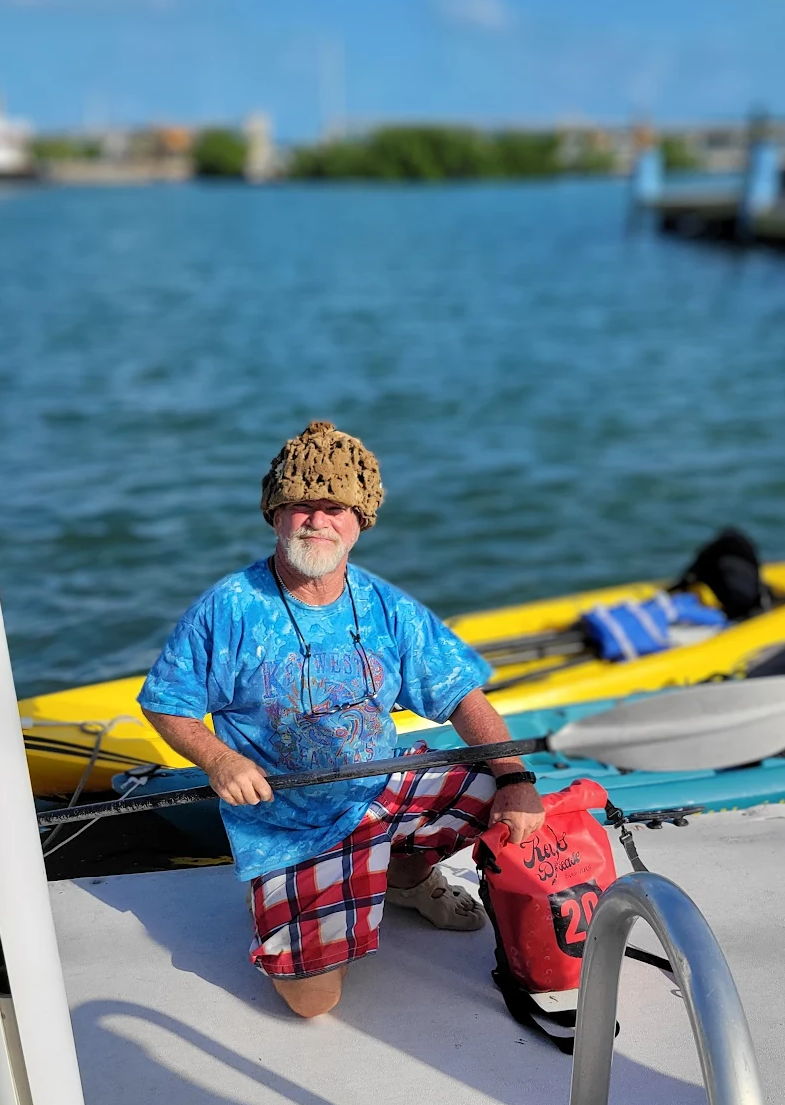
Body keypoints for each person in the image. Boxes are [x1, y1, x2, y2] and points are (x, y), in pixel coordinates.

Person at [139, 421, 544, 1019]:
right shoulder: (228, 608)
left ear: (359, 521)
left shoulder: (388, 605)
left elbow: (464, 697)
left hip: (383, 787)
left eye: (335, 508)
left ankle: (405, 878)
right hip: (290, 825)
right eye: (300, 505)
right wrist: (220, 760)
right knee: (313, 1002)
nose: (317, 520)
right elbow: (166, 702)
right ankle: (282, 895)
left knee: (499, 786)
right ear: (275, 516)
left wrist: (517, 778)